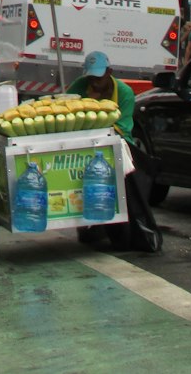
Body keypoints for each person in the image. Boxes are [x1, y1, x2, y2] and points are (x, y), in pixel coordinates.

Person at [68, 50, 159, 251]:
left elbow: (123, 127)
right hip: (84, 143)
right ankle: (90, 226)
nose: (94, 82)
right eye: (91, 77)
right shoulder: (79, 88)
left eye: (98, 77)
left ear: (109, 72)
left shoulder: (125, 93)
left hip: (116, 144)